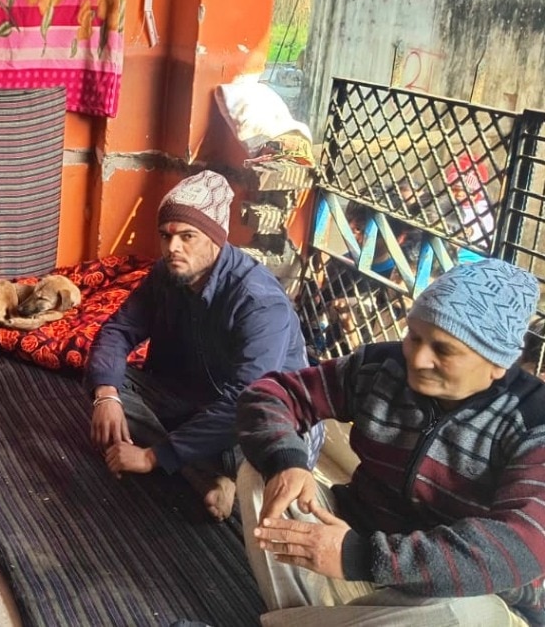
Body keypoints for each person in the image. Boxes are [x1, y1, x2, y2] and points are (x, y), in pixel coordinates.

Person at [236, 258, 545, 626]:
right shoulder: (381, 366)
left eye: (443, 350)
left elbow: (520, 544)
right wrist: (287, 460)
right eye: (414, 336)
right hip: (354, 546)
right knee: (261, 470)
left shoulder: (533, 420)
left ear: (498, 362)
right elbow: (270, 395)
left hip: (437, 594)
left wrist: (363, 556)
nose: (417, 357)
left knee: (469, 616)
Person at [86, 170, 321, 520]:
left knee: (271, 445)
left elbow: (249, 399)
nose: (172, 248)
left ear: (216, 239)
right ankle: (209, 474)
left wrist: (154, 456)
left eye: (187, 236)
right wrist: (106, 394)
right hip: (195, 400)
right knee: (112, 384)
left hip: (261, 418)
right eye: (166, 236)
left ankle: (207, 469)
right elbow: (118, 331)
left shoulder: (258, 301)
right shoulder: (168, 274)